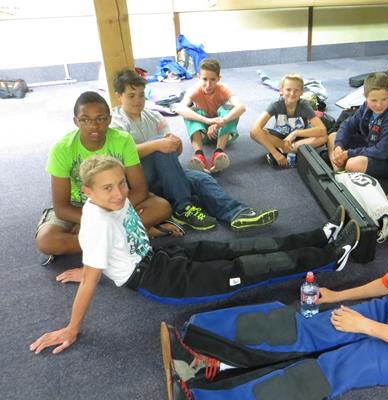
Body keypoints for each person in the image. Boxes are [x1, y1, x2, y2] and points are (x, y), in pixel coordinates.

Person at [159, 180, 388, 400]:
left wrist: (366, 326)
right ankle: (200, 341)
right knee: (313, 325)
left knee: (338, 366)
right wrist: (337, 297)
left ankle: (204, 389)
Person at [29, 155, 361, 355]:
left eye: (121, 183)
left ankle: (320, 235)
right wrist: (73, 325)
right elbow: (91, 271)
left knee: (237, 247)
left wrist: (98, 265)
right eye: (108, 188)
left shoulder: (113, 200)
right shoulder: (95, 224)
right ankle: (330, 257)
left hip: (159, 255)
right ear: (87, 191)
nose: (119, 193)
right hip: (160, 281)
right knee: (247, 267)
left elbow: (121, 235)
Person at [110, 68, 278, 231]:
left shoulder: (154, 117)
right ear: (119, 96)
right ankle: (182, 206)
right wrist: (157, 145)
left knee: (201, 178)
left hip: (165, 175)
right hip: (137, 181)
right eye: (131, 96)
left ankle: (237, 213)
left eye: (141, 95)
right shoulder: (115, 122)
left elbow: (174, 152)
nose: (138, 100)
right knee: (159, 143)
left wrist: (176, 145)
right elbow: (120, 157)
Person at [35, 91, 179, 270]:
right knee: (47, 241)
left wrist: (101, 219)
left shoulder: (122, 140)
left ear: (109, 120)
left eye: (101, 119)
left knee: (161, 207)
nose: (94, 126)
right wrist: (91, 219)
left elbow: (140, 189)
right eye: (85, 119)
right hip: (77, 205)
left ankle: (100, 239)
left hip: (115, 199)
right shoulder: (61, 149)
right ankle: (128, 234)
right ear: (76, 121)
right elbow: (61, 207)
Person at [328, 72, 388, 178]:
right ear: (365, 97)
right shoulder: (366, 106)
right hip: (371, 145)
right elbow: (347, 125)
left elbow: (383, 151)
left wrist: (349, 153)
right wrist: (339, 147)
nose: (379, 105)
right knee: (333, 137)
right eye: (373, 100)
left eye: (384, 99)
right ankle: (338, 174)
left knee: (353, 164)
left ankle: (344, 177)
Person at [176, 58, 246, 173]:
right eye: (204, 79)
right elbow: (179, 108)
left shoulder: (224, 88)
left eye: (213, 79)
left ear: (219, 78)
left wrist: (222, 121)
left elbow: (241, 107)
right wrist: (208, 121)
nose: (208, 85)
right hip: (203, 134)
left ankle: (218, 152)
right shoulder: (194, 89)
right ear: (199, 77)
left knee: (230, 110)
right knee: (189, 112)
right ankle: (199, 155)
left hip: (222, 133)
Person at [250, 73, 327, 168]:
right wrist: (274, 153)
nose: (292, 94)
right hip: (280, 137)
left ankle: (285, 150)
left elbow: (322, 130)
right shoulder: (276, 104)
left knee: (323, 137)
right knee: (255, 133)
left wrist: (295, 133)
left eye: (296, 90)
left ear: (302, 92)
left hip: (299, 138)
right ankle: (289, 150)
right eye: (288, 90)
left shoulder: (304, 105)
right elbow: (255, 129)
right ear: (281, 90)